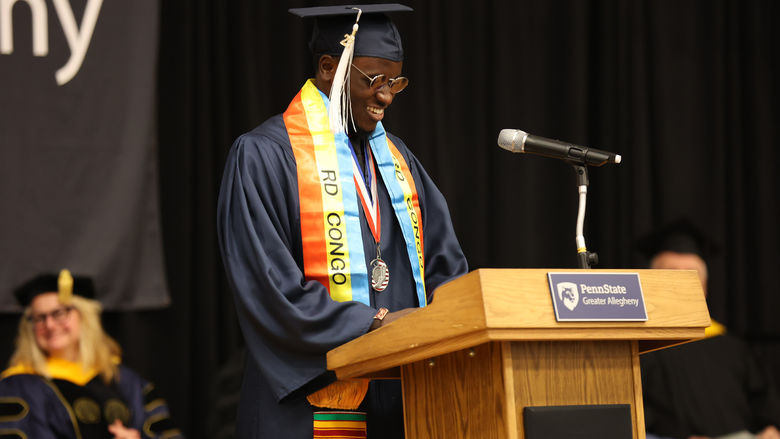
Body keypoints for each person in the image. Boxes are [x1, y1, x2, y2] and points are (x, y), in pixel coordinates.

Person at [216, 4, 468, 438]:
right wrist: (372, 323)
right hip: (309, 409)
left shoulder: (398, 162)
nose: (386, 96)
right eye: (373, 80)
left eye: (395, 82)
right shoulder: (263, 157)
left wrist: (452, 319)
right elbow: (268, 287)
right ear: (329, 67)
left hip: (402, 403)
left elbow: (447, 269)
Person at [637, 220, 780, 439]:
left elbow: (765, 404)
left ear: (704, 287)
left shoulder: (734, 347)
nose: (681, 283)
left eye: (690, 275)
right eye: (671, 274)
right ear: (650, 283)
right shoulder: (639, 348)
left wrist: (772, 429)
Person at [0, 270, 183, 439]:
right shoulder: (17, 387)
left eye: (59, 313)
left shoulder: (127, 382)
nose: (49, 325)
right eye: (39, 318)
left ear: (85, 316)